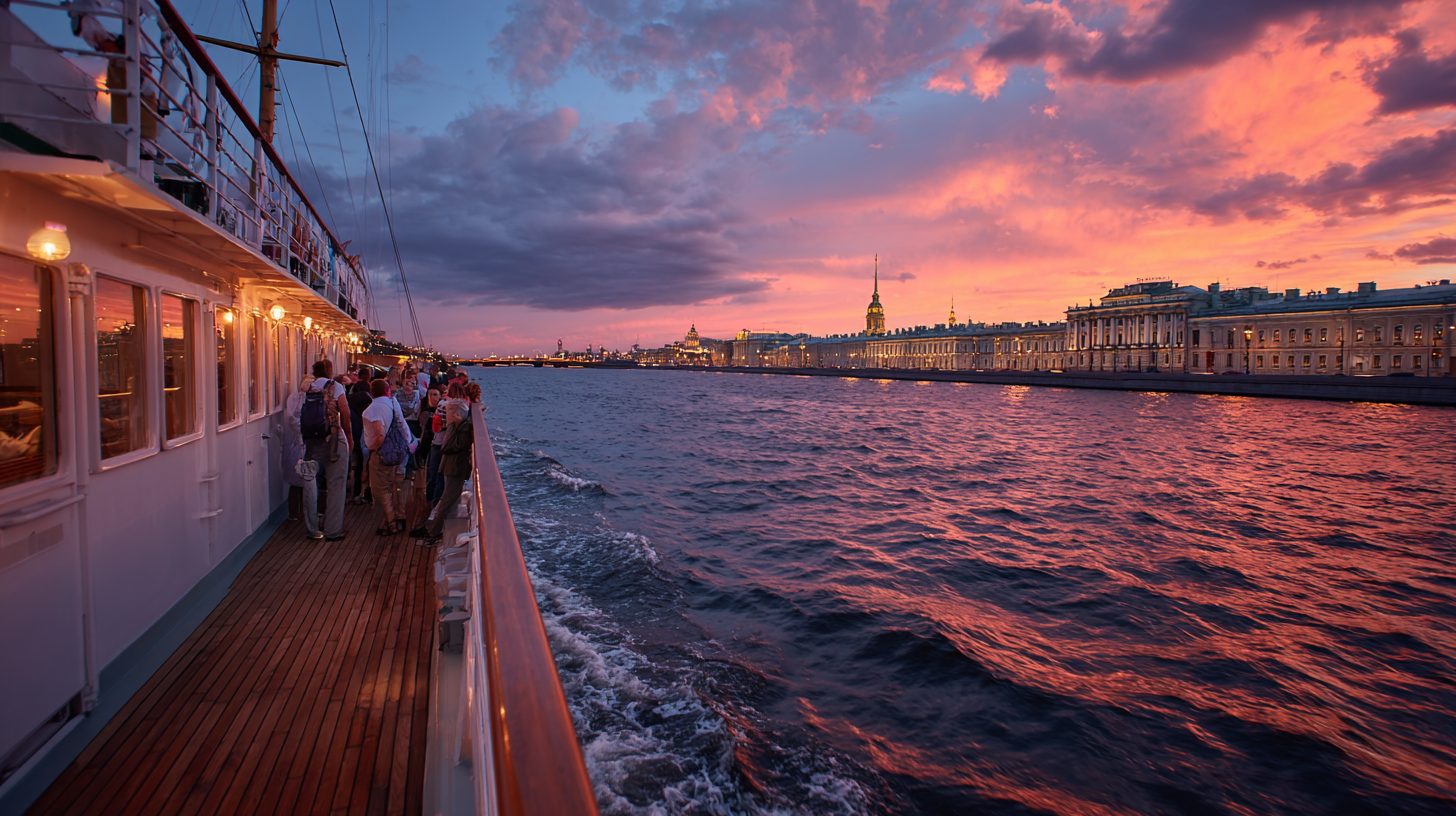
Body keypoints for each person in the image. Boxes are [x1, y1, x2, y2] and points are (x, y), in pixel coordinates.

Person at [413, 384, 476, 545]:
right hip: (453, 464)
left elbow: (436, 430)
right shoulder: (459, 425)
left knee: (440, 491)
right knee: (445, 496)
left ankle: (431, 527)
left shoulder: (453, 421)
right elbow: (449, 445)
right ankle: (432, 531)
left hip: (446, 459)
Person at [298, 359, 351, 540]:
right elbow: (345, 413)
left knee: (310, 483)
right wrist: (350, 438)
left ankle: (312, 529)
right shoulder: (335, 386)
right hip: (334, 440)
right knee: (336, 484)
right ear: (329, 371)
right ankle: (333, 530)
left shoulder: (306, 388)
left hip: (311, 441)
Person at [362, 378, 415, 536]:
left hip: (382, 454)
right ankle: (398, 517)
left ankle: (391, 523)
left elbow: (379, 434)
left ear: (372, 393)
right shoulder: (393, 403)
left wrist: (372, 448)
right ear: (387, 391)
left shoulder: (372, 410)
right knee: (394, 486)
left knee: (380, 490)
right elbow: (401, 425)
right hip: (399, 451)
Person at [346, 372, 373, 503]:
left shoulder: (348, 402)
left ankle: (350, 495)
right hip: (367, 439)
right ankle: (363, 494)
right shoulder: (371, 404)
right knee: (367, 467)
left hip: (351, 439)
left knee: (351, 467)